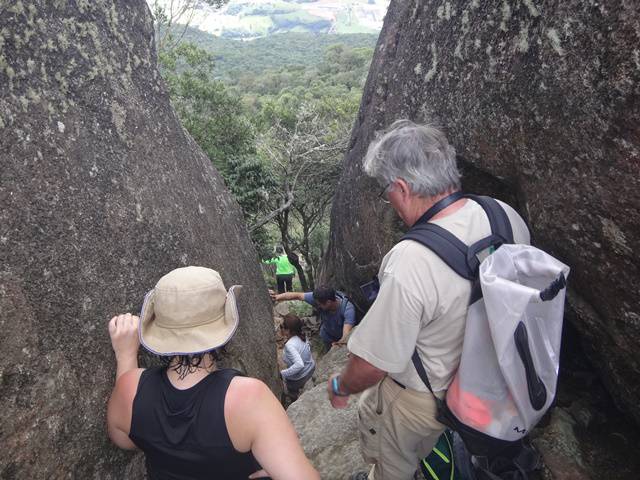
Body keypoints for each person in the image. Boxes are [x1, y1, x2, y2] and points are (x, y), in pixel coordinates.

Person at [325, 120, 531, 480]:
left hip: (426, 398)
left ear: (402, 188)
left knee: (392, 460)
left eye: (385, 190)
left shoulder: (412, 261)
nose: (387, 198)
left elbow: (374, 365)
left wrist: (340, 386)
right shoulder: (503, 215)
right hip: (495, 378)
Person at [106, 266, 319, 480]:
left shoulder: (128, 388)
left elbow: (124, 439)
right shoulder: (249, 398)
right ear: (224, 324)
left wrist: (125, 355)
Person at [273, 285, 356, 351]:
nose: (317, 306)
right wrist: (276, 297)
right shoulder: (319, 298)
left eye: (319, 304)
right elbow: (297, 295)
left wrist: (338, 344)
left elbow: (346, 335)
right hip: (326, 334)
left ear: (328, 302)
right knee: (327, 349)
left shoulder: (348, 310)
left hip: (339, 337)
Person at [279, 313, 316, 401]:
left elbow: (299, 364)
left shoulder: (290, 345)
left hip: (299, 377)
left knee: (292, 391)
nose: (280, 329)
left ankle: (294, 401)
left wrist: (283, 373)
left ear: (288, 330)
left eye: (282, 326)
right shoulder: (302, 335)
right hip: (310, 368)